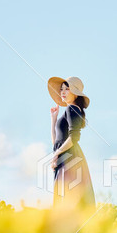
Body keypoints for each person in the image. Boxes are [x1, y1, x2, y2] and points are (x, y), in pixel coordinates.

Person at [48, 76, 96, 212]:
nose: (62, 92)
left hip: (69, 158)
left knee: (69, 198)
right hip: (65, 156)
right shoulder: (69, 110)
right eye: (61, 89)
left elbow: (74, 138)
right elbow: (56, 142)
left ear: (75, 93)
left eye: (67, 89)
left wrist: (56, 154)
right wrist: (54, 120)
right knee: (65, 197)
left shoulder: (72, 109)